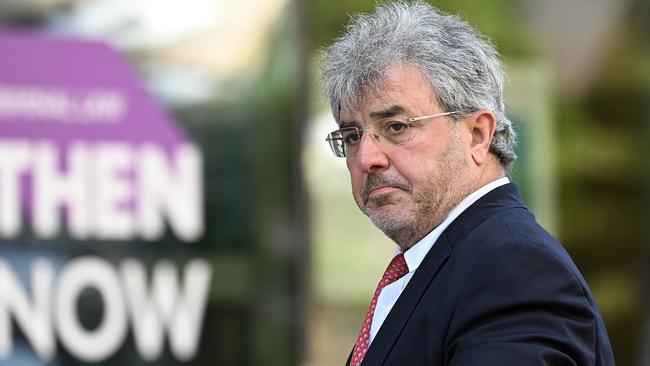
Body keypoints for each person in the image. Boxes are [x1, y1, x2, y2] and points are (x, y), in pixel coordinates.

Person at [319, 1, 615, 365]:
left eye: (396, 127)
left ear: (478, 134)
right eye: (351, 136)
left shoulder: (514, 269)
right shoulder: (443, 261)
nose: (366, 158)